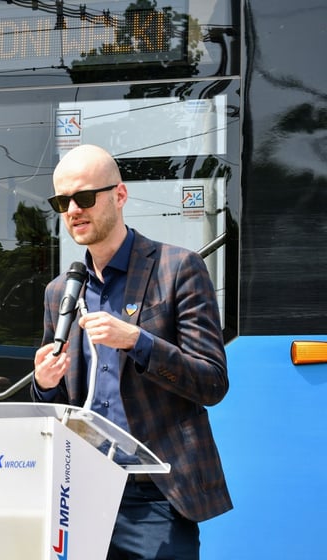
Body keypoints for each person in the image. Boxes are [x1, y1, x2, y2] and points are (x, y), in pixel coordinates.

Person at [32, 144, 232, 559]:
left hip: (155, 494)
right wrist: (44, 384)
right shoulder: (60, 291)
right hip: (79, 492)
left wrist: (138, 341)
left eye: (84, 197)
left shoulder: (178, 268)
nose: (73, 210)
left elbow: (212, 382)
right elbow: (57, 406)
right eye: (62, 202)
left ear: (119, 195)